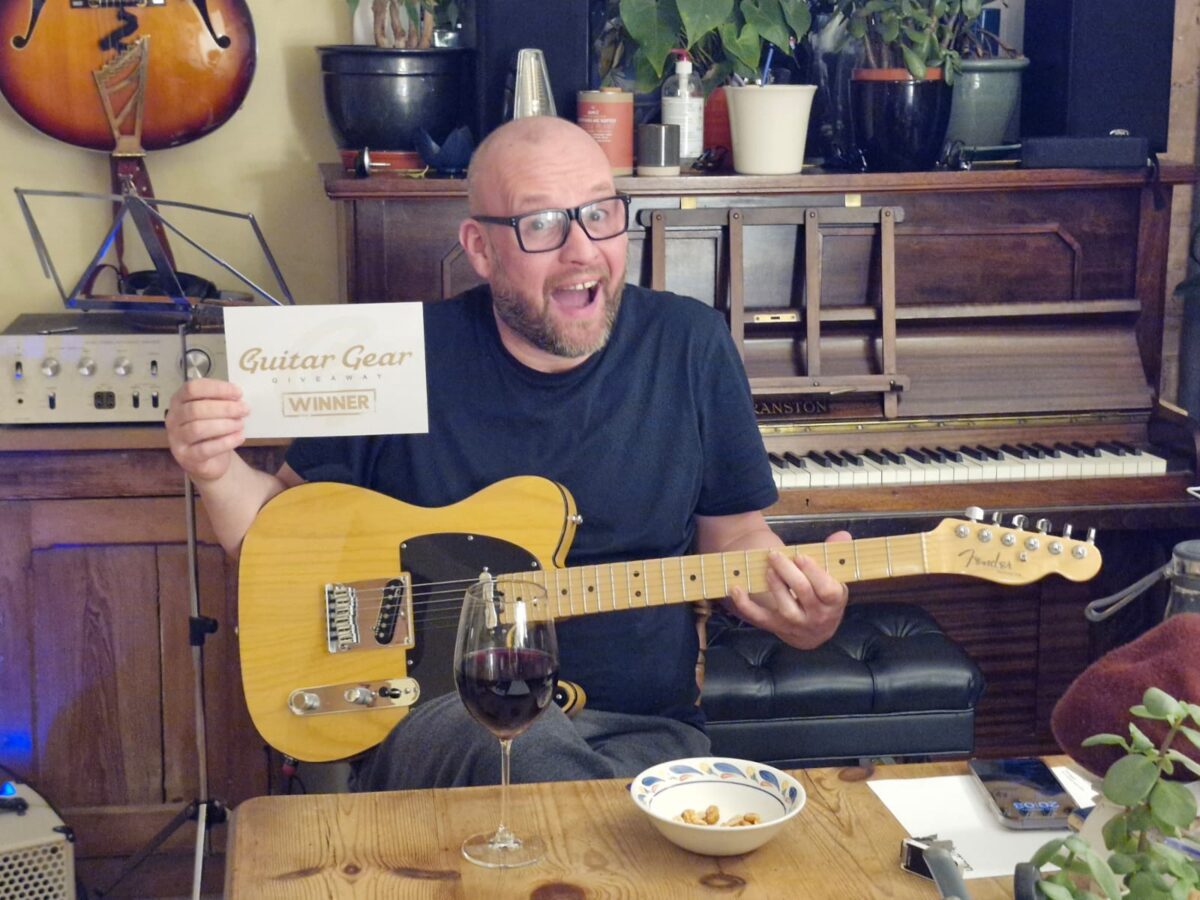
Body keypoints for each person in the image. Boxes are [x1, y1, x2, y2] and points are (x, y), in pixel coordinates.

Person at [165, 116, 850, 790]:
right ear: (481, 248)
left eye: (600, 214)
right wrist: (215, 470)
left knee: (616, 802)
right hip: (442, 721)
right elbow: (272, 533)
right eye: (542, 223)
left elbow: (734, 535)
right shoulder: (397, 354)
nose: (582, 250)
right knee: (517, 742)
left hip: (642, 736)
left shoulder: (690, 343)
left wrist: (798, 608)